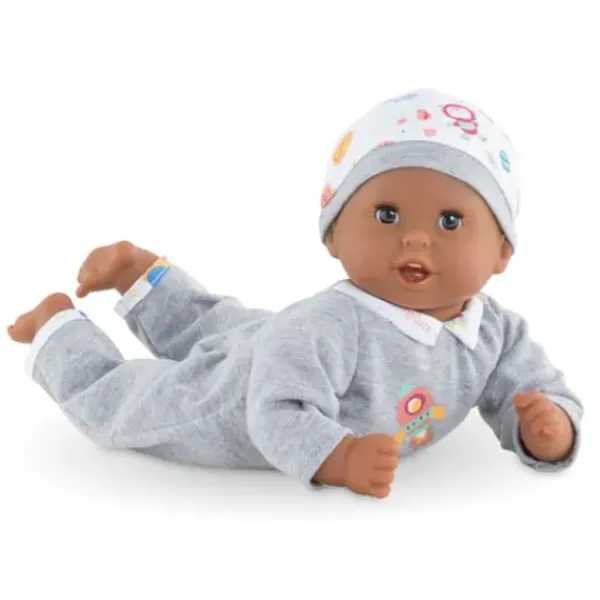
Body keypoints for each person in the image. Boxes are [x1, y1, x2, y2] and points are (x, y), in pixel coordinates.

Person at [8, 88, 583, 499]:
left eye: (450, 222)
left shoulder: (496, 332)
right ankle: (57, 330)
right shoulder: (331, 325)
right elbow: (275, 410)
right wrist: (340, 457)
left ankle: (141, 275)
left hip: (279, 344)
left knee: (221, 325)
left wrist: (548, 428)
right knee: (129, 404)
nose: (415, 238)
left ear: (502, 251)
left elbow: (534, 388)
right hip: (241, 400)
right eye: (386, 214)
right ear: (334, 234)